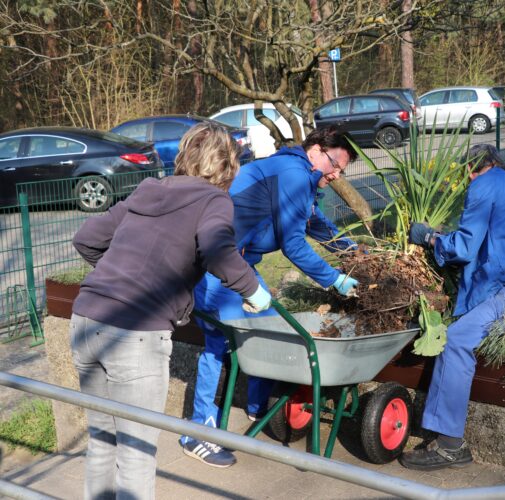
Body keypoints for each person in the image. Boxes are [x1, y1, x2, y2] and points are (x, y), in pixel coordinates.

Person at [69, 122, 272, 500]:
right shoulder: (214, 200)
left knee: (102, 441)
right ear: (228, 166)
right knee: (136, 452)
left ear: (184, 156)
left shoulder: (149, 189)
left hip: (86, 321)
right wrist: (256, 293)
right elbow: (218, 251)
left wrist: (117, 279)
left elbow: (87, 238)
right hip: (136, 334)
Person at [180, 126, 360, 467]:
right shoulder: (293, 173)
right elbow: (293, 245)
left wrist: (354, 252)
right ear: (316, 151)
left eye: (342, 171)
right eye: (336, 164)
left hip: (236, 264)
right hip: (217, 266)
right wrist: (335, 279)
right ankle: (198, 433)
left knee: (262, 329)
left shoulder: (295, 173)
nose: (337, 175)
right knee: (222, 343)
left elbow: (312, 221)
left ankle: (257, 406)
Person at [399, 143, 505, 471]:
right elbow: (493, 248)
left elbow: (466, 248)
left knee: (457, 339)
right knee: (479, 327)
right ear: (497, 161)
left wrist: (429, 239)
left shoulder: (483, 184)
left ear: (471, 169)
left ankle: (450, 446)